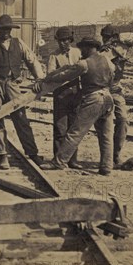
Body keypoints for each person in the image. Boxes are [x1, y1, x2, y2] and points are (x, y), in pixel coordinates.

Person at [34, 37, 116, 176]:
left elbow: (64, 76)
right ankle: (106, 167)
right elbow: (112, 76)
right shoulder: (108, 61)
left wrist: (47, 78)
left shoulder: (84, 64)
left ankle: (59, 162)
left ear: (89, 48)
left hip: (94, 99)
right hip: (108, 98)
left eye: (83, 48)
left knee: (75, 132)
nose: (81, 51)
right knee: (106, 135)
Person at [0, 14, 46, 170]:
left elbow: (32, 60)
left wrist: (39, 78)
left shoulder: (19, 44)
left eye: (8, 29)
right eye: (2, 29)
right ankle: (2, 155)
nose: (5, 32)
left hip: (12, 84)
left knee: (21, 118)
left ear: (11, 30)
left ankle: (32, 153)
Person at [100, 25, 133, 168]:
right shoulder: (102, 52)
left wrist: (117, 41)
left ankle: (115, 156)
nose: (106, 40)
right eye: (104, 37)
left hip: (116, 90)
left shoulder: (122, 48)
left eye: (109, 38)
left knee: (123, 120)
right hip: (102, 90)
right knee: (104, 126)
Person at [47, 27, 82, 169]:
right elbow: (49, 75)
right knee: (60, 129)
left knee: (74, 129)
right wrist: (64, 72)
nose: (63, 43)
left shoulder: (78, 53)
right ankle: (58, 160)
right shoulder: (53, 56)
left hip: (76, 94)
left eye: (65, 40)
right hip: (60, 94)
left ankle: (72, 160)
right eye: (60, 41)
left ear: (70, 40)